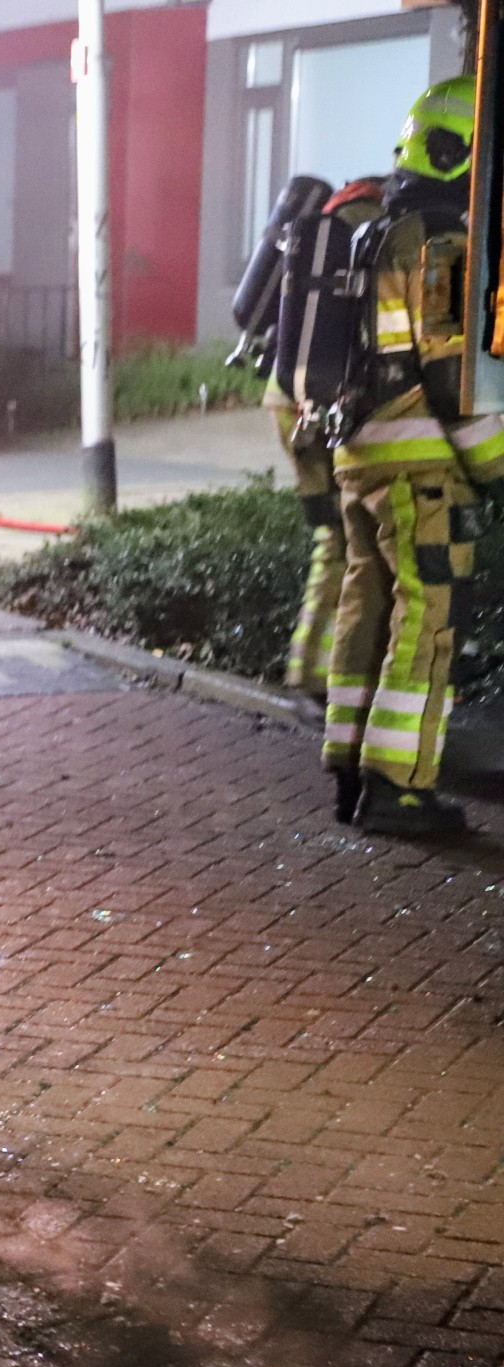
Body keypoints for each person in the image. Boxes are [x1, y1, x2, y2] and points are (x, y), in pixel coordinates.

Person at [323, 79, 504, 837]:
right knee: (427, 619)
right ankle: (398, 786)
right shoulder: (443, 240)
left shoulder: (379, 228)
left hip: (359, 454)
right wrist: (495, 466)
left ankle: (349, 761)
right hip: (417, 463)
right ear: (458, 151)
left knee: (366, 604)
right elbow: (451, 368)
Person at [270, 177, 385, 698]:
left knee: (329, 537)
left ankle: (307, 667)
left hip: (288, 399)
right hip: (324, 400)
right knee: (342, 542)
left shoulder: (329, 222)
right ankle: (316, 676)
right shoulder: (376, 224)